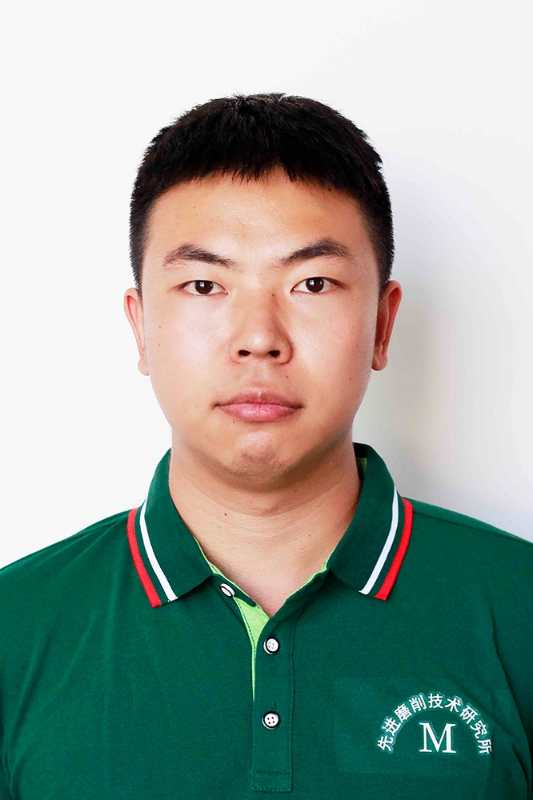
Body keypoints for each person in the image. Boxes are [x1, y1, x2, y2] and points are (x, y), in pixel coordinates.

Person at [0, 93, 531, 800]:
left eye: (311, 283)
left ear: (381, 325)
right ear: (140, 327)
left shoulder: (518, 608)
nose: (259, 337)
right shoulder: (15, 627)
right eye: (203, 285)